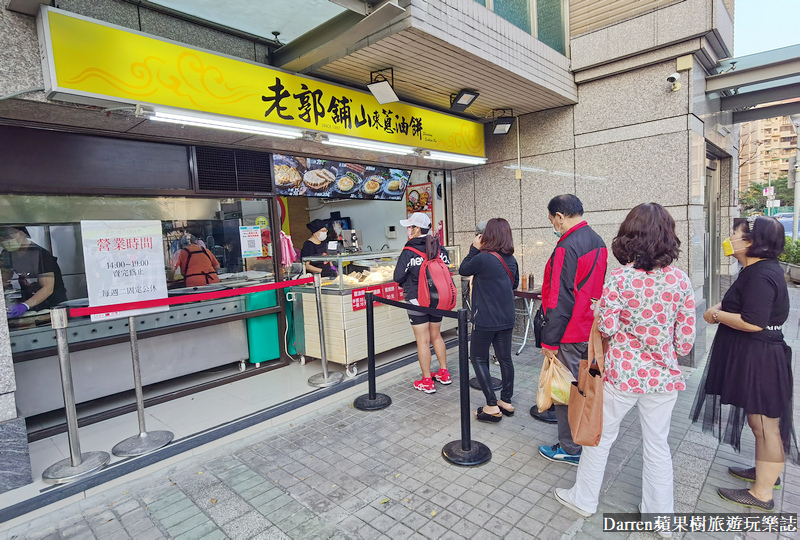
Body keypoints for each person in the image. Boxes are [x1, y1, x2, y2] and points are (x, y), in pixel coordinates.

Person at [553, 203, 695, 533]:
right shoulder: (680, 281)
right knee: (658, 446)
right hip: (663, 378)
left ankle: (584, 499)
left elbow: (608, 328)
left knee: (599, 438)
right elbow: (686, 343)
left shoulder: (621, 279)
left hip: (622, 375)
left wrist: (604, 309)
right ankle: (659, 517)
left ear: (629, 237)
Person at [691, 215, 798, 511]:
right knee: (759, 421)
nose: (729, 239)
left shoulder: (762, 275)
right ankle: (764, 472)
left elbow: (753, 322)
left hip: (761, 359)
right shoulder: (755, 271)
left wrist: (716, 315)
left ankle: (762, 492)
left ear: (750, 242)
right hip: (757, 356)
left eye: (734, 234)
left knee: (766, 425)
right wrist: (721, 308)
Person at [537, 194, 607, 465]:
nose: (554, 225)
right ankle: (582, 437)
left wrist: (549, 339)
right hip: (590, 330)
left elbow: (559, 298)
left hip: (569, 332)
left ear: (560, 216)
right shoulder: (598, 241)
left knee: (566, 391)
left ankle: (569, 447)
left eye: (552, 220)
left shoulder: (566, 246)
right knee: (584, 388)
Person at [459, 218, 519, 421]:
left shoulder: (483, 259)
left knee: (477, 358)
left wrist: (474, 248)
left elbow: (463, 269)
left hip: (485, 319)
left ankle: (492, 405)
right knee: (505, 359)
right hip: (506, 318)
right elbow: (515, 283)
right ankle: (506, 401)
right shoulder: (511, 259)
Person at [394, 212, 451, 393]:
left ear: (417, 229)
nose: (408, 231)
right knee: (437, 336)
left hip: (416, 300)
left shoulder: (408, 251)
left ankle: (427, 381)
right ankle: (444, 373)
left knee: (423, 340)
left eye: (410, 227)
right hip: (437, 298)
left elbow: (398, 276)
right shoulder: (440, 248)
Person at [0, 226, 68, 316]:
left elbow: (47, 288)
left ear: (21, 234)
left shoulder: (41, 255)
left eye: (8, 237)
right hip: (30, 303)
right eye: (1, 238)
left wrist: (24, 306)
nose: (4, 241)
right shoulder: (7, 254)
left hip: (51, 306)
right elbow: (4, 278)